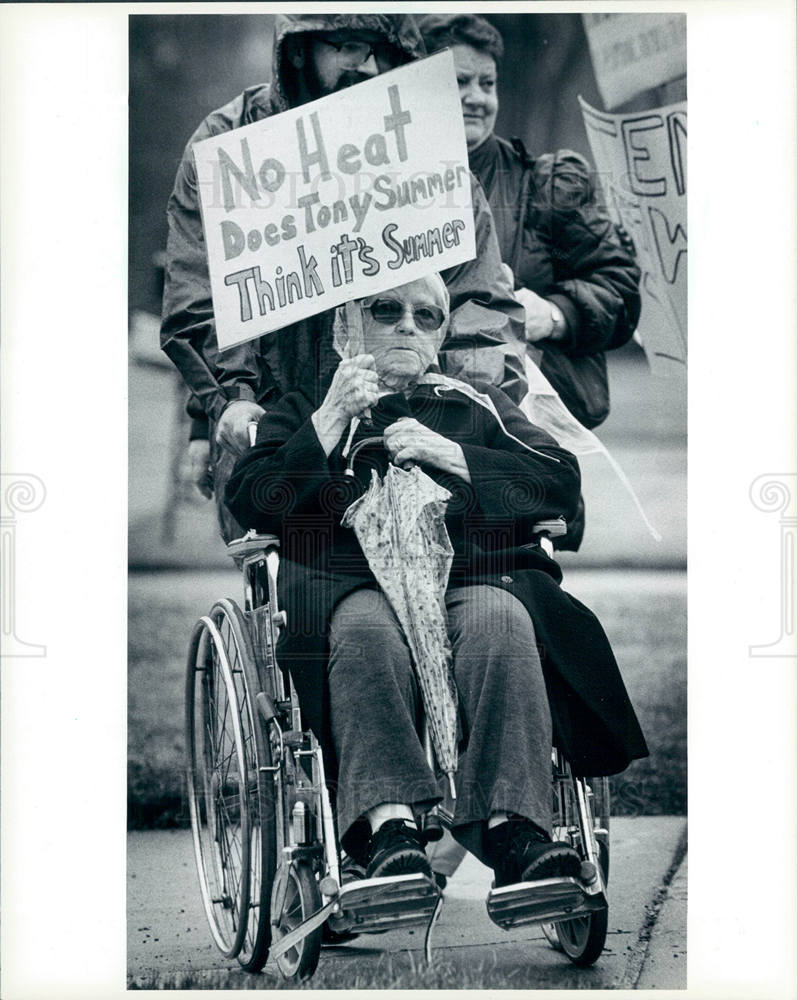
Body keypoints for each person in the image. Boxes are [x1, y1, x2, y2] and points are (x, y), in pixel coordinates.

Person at [225, 275, 648, 884]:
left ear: (442, 333)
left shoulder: (475, 403)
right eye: (386, 310)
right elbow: (256, 500)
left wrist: (454, 455)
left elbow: (559, 483)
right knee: (365, 628)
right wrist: (330, 418)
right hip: (352, 581)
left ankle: (513, 830)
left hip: (470, 574)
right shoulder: (303, 408)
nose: (406, 326)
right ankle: (388, 827)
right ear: (349, 323)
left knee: (501, 622)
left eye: (426, 317)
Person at [160, 13, 527, 541]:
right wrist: (229, 400)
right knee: (300, 601)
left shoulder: (425, 142)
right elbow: (201, 291)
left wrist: (473, 413)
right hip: (280, 420)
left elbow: (479, 300)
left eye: (385, 50)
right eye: (350, 46)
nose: (369, 66)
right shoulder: (234, 139)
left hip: (411, 425)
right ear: (297, 51)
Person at [419, 14, 642, 549]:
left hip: (511, 453)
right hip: (404, 441)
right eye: (457, 83)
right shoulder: (373, 192)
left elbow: (621, 286)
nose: (477, 98)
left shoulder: (545, 186)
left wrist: (555, 313)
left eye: (487, 83)